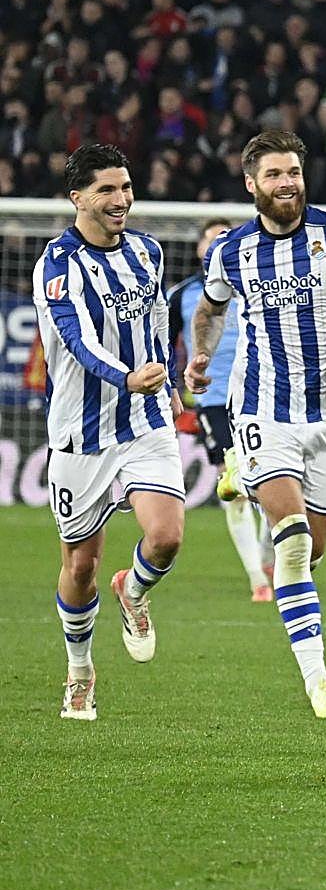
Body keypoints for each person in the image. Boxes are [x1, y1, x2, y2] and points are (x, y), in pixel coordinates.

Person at [185, 130, 326, 719]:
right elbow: (209, 307)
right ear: (251, 183)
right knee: (291, 539)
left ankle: (243, 525)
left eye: (294, 173)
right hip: (263, 407)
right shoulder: (231, 251)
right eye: (275, 175)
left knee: (310, 555)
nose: (287, 183)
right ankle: (318, 683)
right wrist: (201, 355)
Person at [35, 143, 187, 721]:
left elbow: (157, 324)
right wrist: (126, 376)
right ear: (78, 198)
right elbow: (75, 339)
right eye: (107, 189)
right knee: (79, 567)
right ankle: (80, 670)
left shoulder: (147, 253)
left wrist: (166, 377)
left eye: (125, 186)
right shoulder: (56, 264)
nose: (121, 199)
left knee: (168, 536)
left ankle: (135, 590)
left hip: (145, 422)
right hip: (80, 432)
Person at [168, 218, 272, 601]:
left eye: (225, 239)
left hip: (261, 393)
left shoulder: (257, 286)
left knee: (268, 480)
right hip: (214, 399)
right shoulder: (182, 295)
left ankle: (266, 558)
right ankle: (257, 579)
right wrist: (171, 384)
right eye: (211, 239)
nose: (218, 245)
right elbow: (164, 343)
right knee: (235, 482)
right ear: (199, 249)